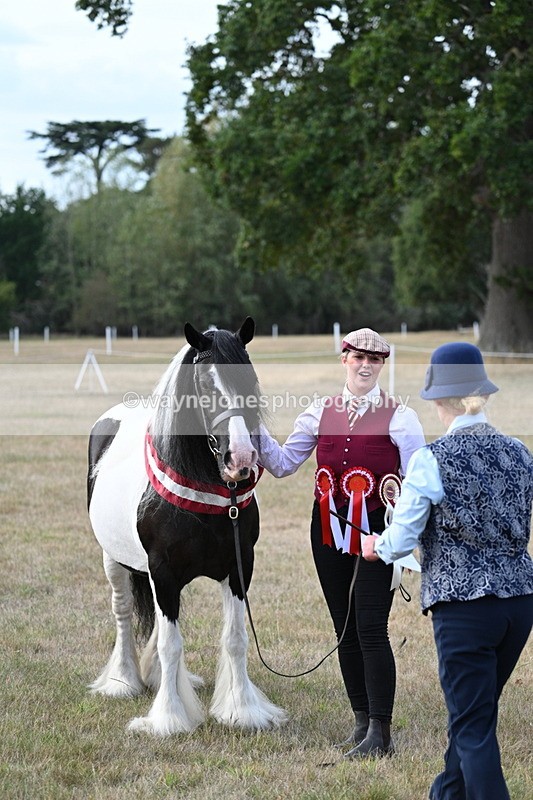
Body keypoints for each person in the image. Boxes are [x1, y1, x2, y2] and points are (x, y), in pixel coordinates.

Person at [362, 342, 533, 799]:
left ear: (440, 400)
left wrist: (376, 546)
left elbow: (401, 539)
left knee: (473, 727)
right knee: (474, 713)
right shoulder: (520, 452)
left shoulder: (432, 459)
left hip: (464, 610)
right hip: (519, 605)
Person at [254, 328, 425, 757]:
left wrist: (397, 538)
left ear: (382, 364)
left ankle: (381, 733)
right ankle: (361, 721)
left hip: (378, 532)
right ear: (344, 359)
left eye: (374, 359)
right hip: (327, 531)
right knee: (344, 627)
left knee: (371, 627)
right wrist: (250, 426)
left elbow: (417, 484)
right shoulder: (317, 412)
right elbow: (282, 464)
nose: (366, 365)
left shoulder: (401, 417)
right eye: (358, 357)